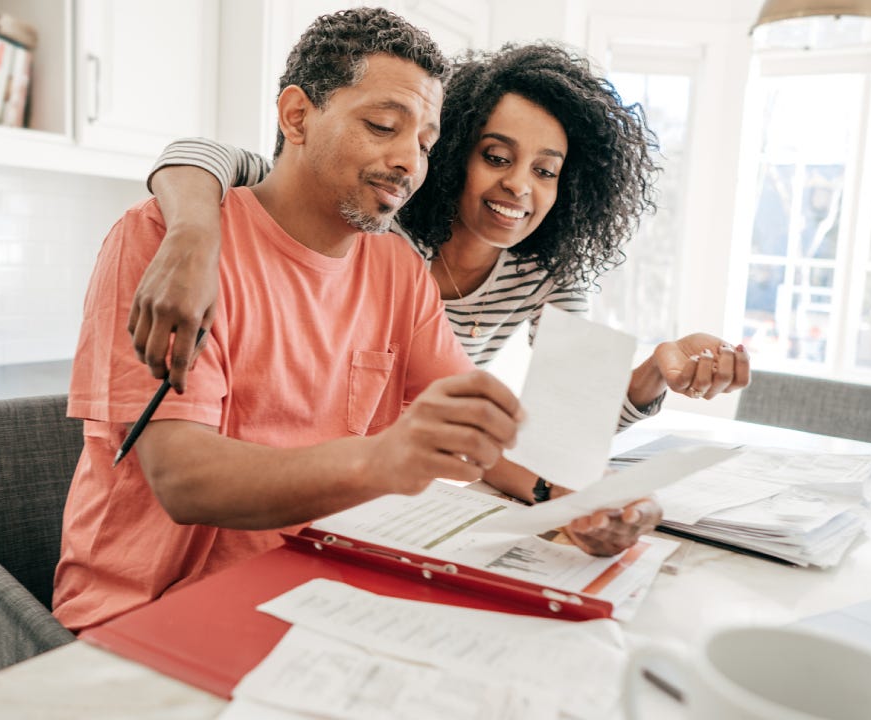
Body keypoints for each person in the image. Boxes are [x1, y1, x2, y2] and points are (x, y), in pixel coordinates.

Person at [53, 9, 658, 633]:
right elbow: (183, 480)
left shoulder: (395, 267)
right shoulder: (163, 242)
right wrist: (381, 459)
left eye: (425, 143)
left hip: (321, 588)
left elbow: (474, 427)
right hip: (151, 613)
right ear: (297, 117)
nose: (407, 161)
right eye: (382, 126)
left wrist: (572, 500)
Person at [132, 43, 750, 431]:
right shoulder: (376, 219)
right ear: (452, 153)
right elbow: (204, 154)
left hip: (409, 487)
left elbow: (570, 427)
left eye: (545, 171)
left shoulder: (544, 271)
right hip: (328, 474)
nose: (519, 187)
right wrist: (190, 235)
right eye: (496, 156)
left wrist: (652, 374)